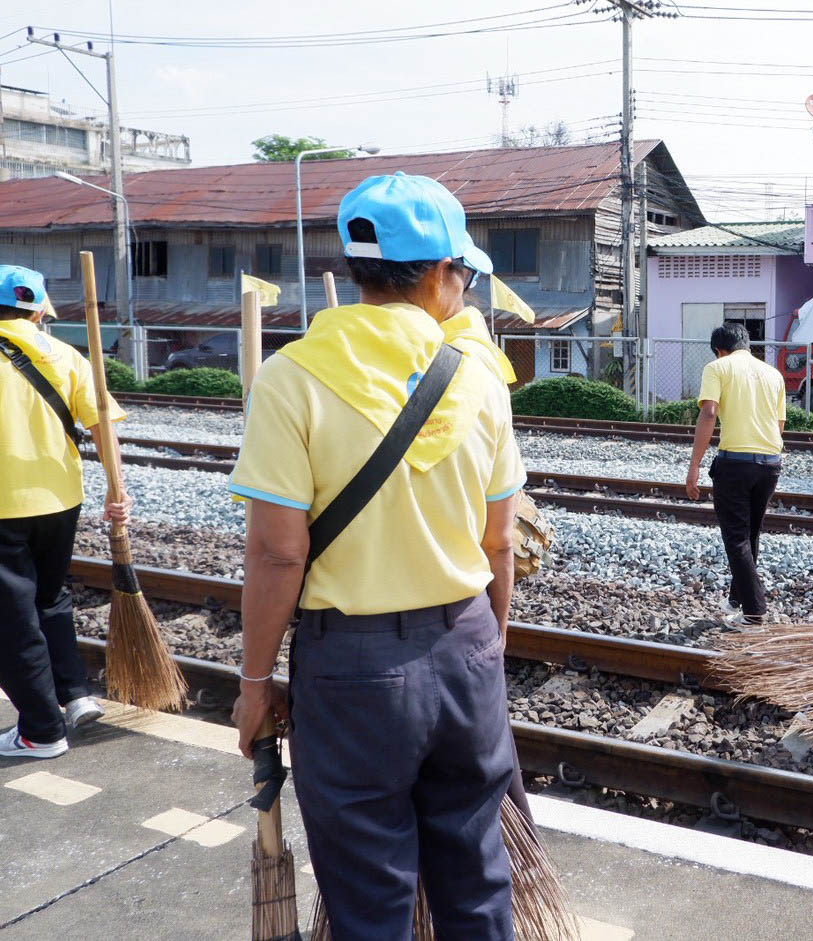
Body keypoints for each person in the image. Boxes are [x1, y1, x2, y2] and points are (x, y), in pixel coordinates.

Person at [229, 172, 525, 940]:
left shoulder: (291, 377)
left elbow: (276, 554)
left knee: (368, 894)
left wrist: (255, 683)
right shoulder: (478, 377)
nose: (462, 288)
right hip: (464, 646)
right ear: (439, 272)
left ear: (359, 268)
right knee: (477, 876)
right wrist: (487, 645)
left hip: (352, 670)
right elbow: (499, 541)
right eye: (462, 274)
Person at [0, 265, 130, 759]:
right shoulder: (65, 353)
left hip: (4, 506)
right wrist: (117, 490)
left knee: (12, 622)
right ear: (37, 311)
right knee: (50, 599)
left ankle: (41, 732)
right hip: (60, 500)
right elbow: (102, 425)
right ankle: (75, 696)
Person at [684, 322, 786, 624]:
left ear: (719, 350)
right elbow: (780, 424)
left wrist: (694, 465)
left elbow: (709, 412)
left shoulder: (717, 368)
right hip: (771, 462)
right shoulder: (773, 374)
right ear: (747, 345)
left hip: (735, 463)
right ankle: (736, 598)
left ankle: (754, 613)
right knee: (751, 533)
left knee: (736, 537)